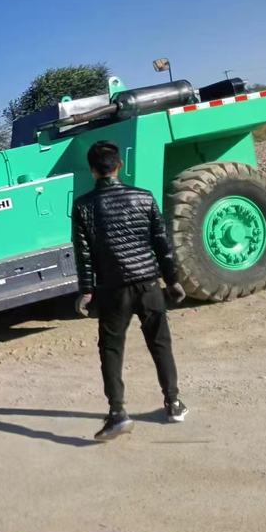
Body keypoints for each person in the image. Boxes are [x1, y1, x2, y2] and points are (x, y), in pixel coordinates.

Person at [71, 141, 189, 441]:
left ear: (92, 170)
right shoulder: (144, 197)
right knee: (160, 343)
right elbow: (162, 244)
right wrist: (173, 280)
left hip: (113, 290)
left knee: (111, 350)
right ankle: (173, 403)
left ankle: (117, 413)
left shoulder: (84, 206)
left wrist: (87, 291)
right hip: (149, 284)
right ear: (119, 166)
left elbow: (84, 255)